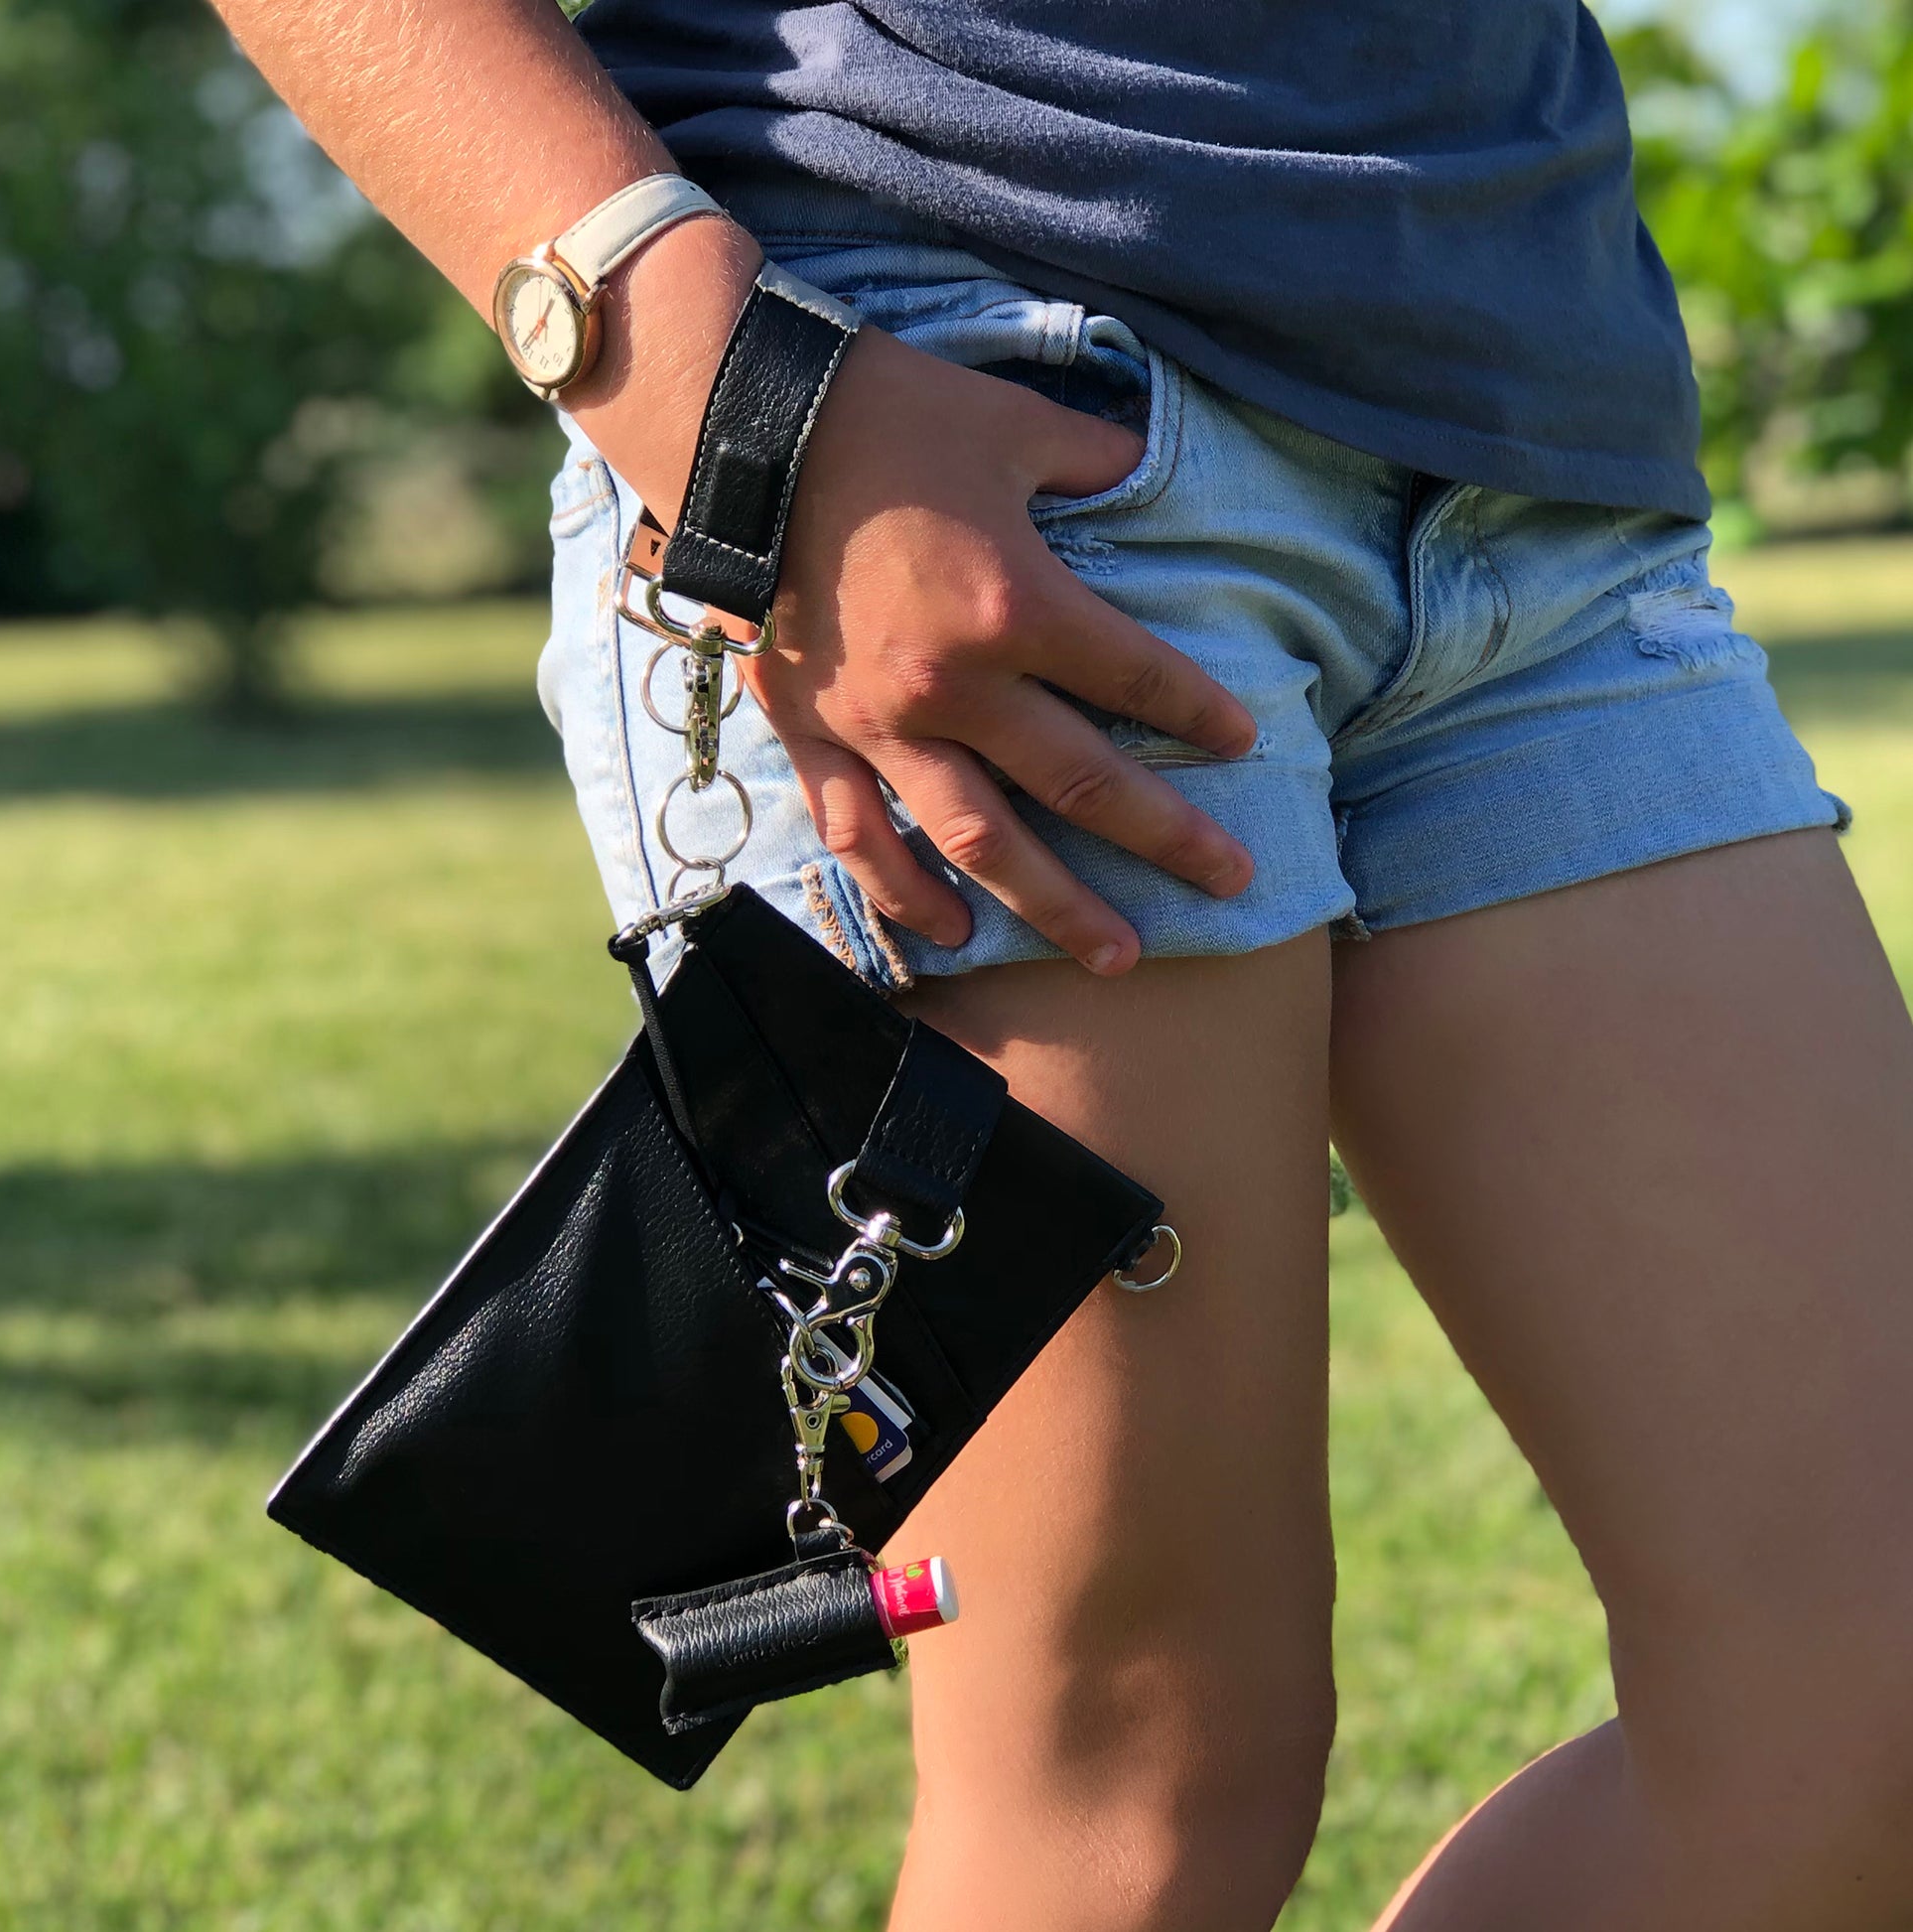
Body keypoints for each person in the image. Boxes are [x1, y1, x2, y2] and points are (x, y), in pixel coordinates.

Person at [214, 4, 1913, 1927]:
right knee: (1136, 1793)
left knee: (1861, 1715)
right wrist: (714, 391)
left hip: (1536, 445)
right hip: (963, 415)